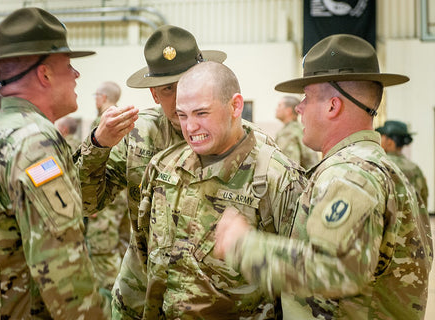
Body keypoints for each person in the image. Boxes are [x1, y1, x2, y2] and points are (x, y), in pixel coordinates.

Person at [214, 34, 433, 319]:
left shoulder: (351, 173)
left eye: (307, 98)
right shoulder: (376, 164)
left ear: (333, 106)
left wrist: (243, 246)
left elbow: (336, 269)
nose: (299, 108)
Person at [76, 24, 279, 317]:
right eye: (169, 89)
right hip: (142, 298)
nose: (182, 94)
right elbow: (86, 202)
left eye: (187, 81)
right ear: (154, 94)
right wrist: (98, 145)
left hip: (223, 306)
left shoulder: (252, 144)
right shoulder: (137, 135)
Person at [0, 7, 137, 318]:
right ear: (45, 74)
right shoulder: (35, 142)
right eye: (69, 65)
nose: (77, 75)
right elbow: (65, 270)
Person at [113, 61, 304, 318]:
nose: (190, 127)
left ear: (236, 106)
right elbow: (139, 261)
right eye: (182, 115)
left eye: (201, 113)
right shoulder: (164, 168)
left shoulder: (275, 177)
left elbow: (301, 287)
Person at [85, 80, 129, 292]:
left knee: (103, 250)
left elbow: (91, 163)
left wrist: (90, 199)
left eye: (96, 96)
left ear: (102, 98)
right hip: (124, 197)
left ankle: (114, 298)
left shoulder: (102, 122)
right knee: (123, 247)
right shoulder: (126, 120)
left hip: (105, 198)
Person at [376, 120, 429, 206]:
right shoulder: (415, 168)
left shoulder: (381, 164)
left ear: (390, 142)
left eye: (382, 137)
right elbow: (423, 200)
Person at [275, 95, 319, 169]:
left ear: (288, 111)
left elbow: (290, 168)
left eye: (279, 106)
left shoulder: (289, 133)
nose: (276, 109)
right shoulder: (300, 128)